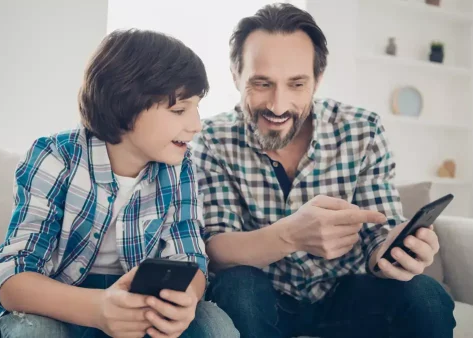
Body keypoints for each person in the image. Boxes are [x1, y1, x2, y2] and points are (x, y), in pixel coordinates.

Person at [192, 3, 455, 338]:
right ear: (235, 76)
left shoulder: (363, 130)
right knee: (238, 287)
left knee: (426, 295)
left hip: (344, 296)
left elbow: (378, 237)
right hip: (262, 301)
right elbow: (215, 249)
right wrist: (291, 235)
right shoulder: (213, 138)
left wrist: (397, 252)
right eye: (262, 84)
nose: (278, 104)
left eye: (296, 84)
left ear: (318, 80)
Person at [0, 29, 238, 338]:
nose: (196, 125)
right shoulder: (54, 156)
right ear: (126, 104)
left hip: (134, 307)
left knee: (214, 324)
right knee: (33, 332)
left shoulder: (179, 167)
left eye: (197, 107)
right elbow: (13, 280)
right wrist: (98, 308)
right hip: (62, 302)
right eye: (180, 110)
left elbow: (190, 257)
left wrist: (185, 300)